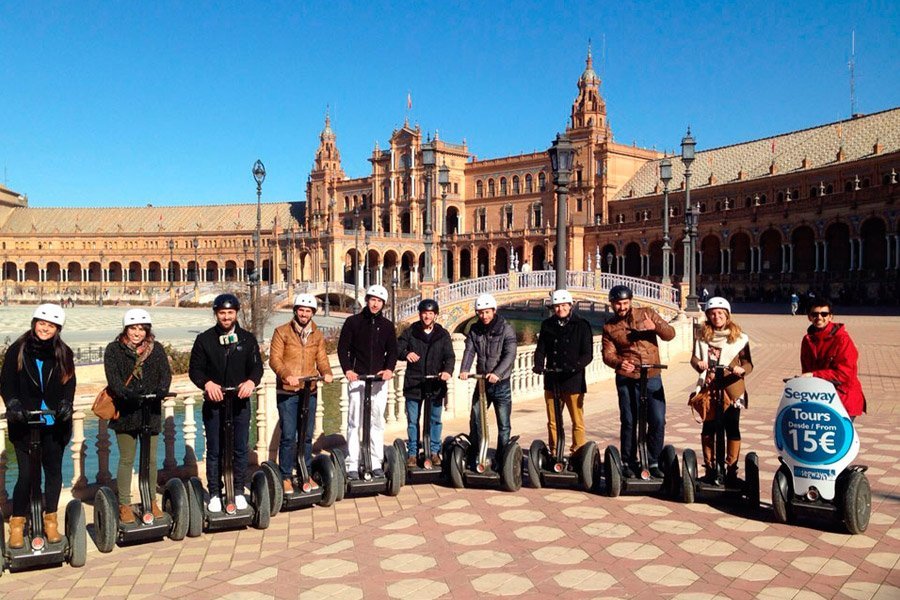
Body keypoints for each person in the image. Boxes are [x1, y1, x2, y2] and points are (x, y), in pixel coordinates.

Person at [0, 304, 75, 549]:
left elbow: (69, 382)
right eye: (42, 323)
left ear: (57, 329)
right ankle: (18, 523)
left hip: (53, 423)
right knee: (26, 475)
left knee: (53, 473)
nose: (45, 328)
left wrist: (66, 402)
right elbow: (7, 382)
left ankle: (50, 520)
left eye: (51, 325)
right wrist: (12, 403)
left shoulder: (64, 352)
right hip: (25, 422)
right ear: (34, 323)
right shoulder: (18, 350)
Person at [189, 293, 263, 512]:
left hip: (239, 403)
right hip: (214, 403)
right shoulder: (204, 339)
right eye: (222, 313)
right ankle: (214, 493)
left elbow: (257, 367)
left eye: (230, 313)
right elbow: (195, 369)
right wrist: (206, 383)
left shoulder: (247, 339)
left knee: (240, 449)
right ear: (216, 314)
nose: (226, 317)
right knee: (215, 450)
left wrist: (252, 381)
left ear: (236, 313)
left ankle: (238, 490)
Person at [104, 309, 173, 523]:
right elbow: (113, 378)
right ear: (126, 328)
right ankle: (124, 504)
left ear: (147, 330)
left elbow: (165, 374)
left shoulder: (156, 349)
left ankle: (150, 500)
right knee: (127, 459)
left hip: (149, 411)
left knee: (151, 460)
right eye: (133, 328)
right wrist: (127, 394)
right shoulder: (114, 350)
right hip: (126, 412)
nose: (137, 333)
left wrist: (161, 390)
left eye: (141, 329)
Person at [601, 285, 676, 478]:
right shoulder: (609, 327)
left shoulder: (647, 314)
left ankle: (653, 460)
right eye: (618, 303)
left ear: (631, 302)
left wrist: (656, 327)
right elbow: (607, 355)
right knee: (629, 421)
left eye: (625, 303)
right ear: (612, 304)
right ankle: (628, 461)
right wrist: (619, 363)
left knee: (658, 420)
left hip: (651, 376)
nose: (622, 307)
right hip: (627, 378)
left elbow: (670, 334)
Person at [268, 293, 334, 493]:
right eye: (301, 310)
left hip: (309, 389)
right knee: (288, 435)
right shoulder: (282, 332)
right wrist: (286, 375)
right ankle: (286, 476)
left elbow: (321, 358)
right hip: (288, 391)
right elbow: (275, 359)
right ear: (295, 311)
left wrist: (327, 372)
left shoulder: (317, 334)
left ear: (313, 313)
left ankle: (304, 472)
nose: (304, 314)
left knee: (306, 435)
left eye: (308, 311)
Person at [337, 285, 398, 479]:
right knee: (354, 421)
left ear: (383, 304)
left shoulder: (388, 326)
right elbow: (342, 349)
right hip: (358, 379)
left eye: (379, 301)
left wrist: (389, 369)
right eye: (372, 299)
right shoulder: (353, 322)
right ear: (367, 300)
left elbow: (393, 351)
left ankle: (376, 460)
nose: (375, 304)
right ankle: (352, 463)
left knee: (376, 422)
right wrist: (348, 370)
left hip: (378, 380)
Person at [690, 297, 753, 483]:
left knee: (731, 426)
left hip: (732, 388)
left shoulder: (739, 338)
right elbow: (693, 358)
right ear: (708, 315)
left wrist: (742, 370)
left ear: (727, 314)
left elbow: (748, 363)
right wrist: (698, 364)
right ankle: (710, 469)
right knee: (709, 427)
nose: (716, 316)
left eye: (720, 313)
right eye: (712, 313)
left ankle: (731, 470)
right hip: (709, 387)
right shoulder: (702, 335)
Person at [533, 289, 594, 454]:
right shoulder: (547, 325)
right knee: (553, 421)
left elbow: (588, 354)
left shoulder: (581, 325)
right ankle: (555, 451)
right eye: (556, 307)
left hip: (573, 379)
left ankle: (578, 452)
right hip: (552, 378)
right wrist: (538, 365)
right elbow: (541, 349)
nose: (560, 309)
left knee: (577, 420)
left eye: (563, 305)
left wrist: (575, 366)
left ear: (570, 305)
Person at [397, 299, 455, 467]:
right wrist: (406, 353)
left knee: (435, 419)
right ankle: (413, 453)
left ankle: (435, 451)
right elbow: (398, 348)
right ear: (420, 314)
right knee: (413, 420)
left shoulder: (442, 334)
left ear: (435, 315)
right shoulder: (410, 332)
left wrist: (447, 371)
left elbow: (449, 357)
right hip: (414, 383)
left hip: (435, 383)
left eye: (430, 313)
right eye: (424, 313)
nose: (427, 316)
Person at [459, 294, 517, 460]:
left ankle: (502, 458)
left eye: (487, 312)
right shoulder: (475, 330)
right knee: (476, 418)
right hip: (482, 382)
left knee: (503, 423)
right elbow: (469, 351)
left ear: (493, 310)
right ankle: (476, 453)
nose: (484, 316)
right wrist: (464, 369)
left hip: (501, 384)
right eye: (481, 313)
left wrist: (497, 374)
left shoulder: (506, 329)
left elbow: (510, 355)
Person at [800, 299, 866, 420]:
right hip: (820, 397)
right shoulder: (808, 340)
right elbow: (806, 368)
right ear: (809, 317)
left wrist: (814, 375)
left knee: (840, 437)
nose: (819, 317)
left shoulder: (842, 339)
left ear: (831, 317)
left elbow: (845, 373)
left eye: (824, 314)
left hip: (843, 398)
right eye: (815, 314)